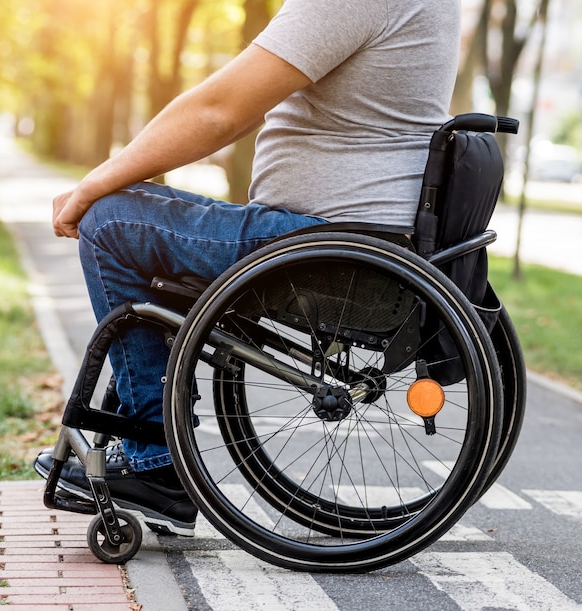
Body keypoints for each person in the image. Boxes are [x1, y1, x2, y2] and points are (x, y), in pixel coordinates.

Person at [34, 0, 461, 537]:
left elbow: (220, 110)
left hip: (326, 244)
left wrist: (93, 184)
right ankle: (150, 439)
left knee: (113, 221)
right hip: (360, 240)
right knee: (140, 219)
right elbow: (242, 101)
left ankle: (153, 461)